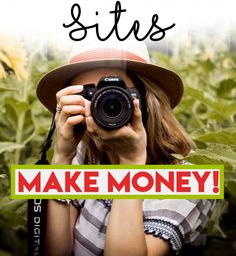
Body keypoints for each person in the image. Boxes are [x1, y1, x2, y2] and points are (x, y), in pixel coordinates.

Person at [36, 42, 214, 256]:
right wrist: (62, 158)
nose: (102, 106)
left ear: (148, 102)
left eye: (117, 93)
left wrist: (131, 162)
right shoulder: (85, 151)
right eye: (90, 96)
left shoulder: (190, 178)